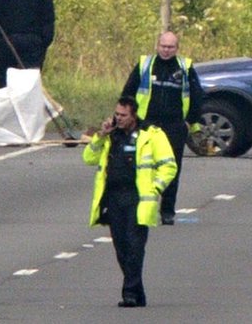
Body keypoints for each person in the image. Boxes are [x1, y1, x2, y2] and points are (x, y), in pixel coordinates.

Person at [83, 96, 177, 308]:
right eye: (117, 114)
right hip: (114, 198)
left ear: (134, 115)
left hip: (138, 198)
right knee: (121, 248)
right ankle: (137, 291)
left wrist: (156, 187)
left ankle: (129, 293)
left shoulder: (151, 135)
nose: (119, 118)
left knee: (135, 246)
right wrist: (100, 136)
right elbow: (88, 158)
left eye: (123, 115)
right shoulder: (111, 136)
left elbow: (169, 165)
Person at [121, 31, 203, 224]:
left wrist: (189, 121)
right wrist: (126, 119)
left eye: (171, 47)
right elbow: (128, 92)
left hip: (174, 126)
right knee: (142, 166)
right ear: (157, 46)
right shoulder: (145, 65)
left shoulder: (185, 67)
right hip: (146, 124)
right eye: (163, 46)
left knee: (171, 169)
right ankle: (140, 207)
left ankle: (167, 211)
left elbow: (197, 95)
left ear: (177, 48)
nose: (166, 50)